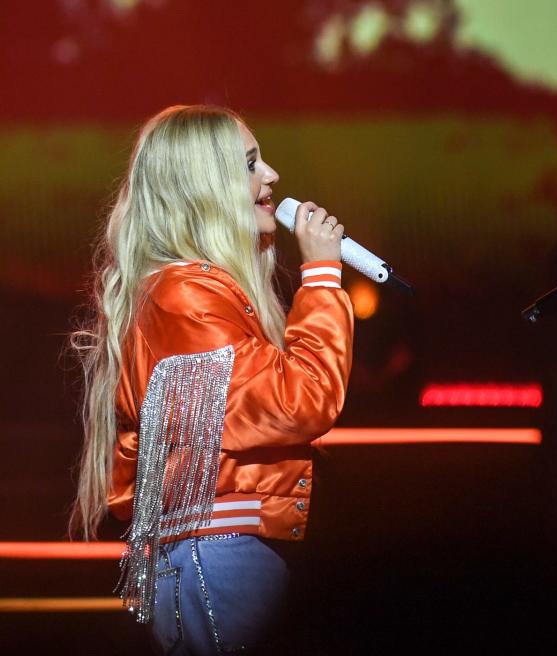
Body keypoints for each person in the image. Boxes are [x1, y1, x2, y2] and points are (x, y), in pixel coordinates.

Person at [70, 105, 354, 654]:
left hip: (222, 553)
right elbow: (302, 402)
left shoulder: (197, 291)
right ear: (206, 187)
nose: (271, 176)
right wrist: (322, 274)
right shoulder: (184, 297)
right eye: (250, 163)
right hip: (218, 556)